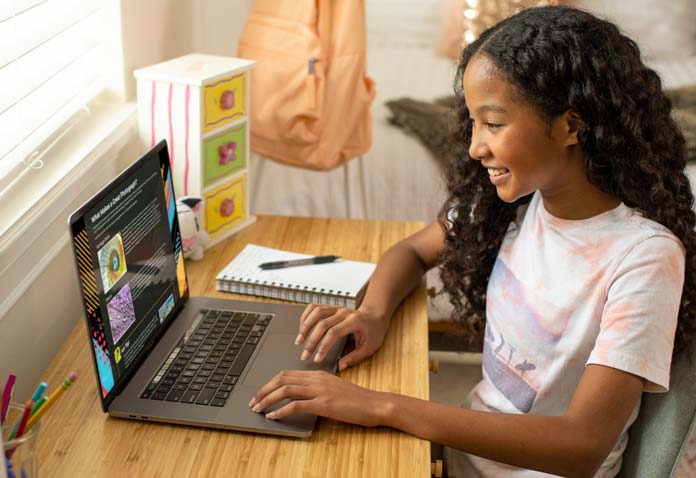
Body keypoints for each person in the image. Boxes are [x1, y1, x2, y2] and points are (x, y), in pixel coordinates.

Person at [248, 5, 696, 477]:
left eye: (494, 124)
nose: (474, 147)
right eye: (474, 122)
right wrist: (371, 315)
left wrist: (383, 406)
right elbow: (413, 250)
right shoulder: (516, 202)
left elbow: (582, 445)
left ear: (570, 126)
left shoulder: (644, 256)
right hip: (461, 461)